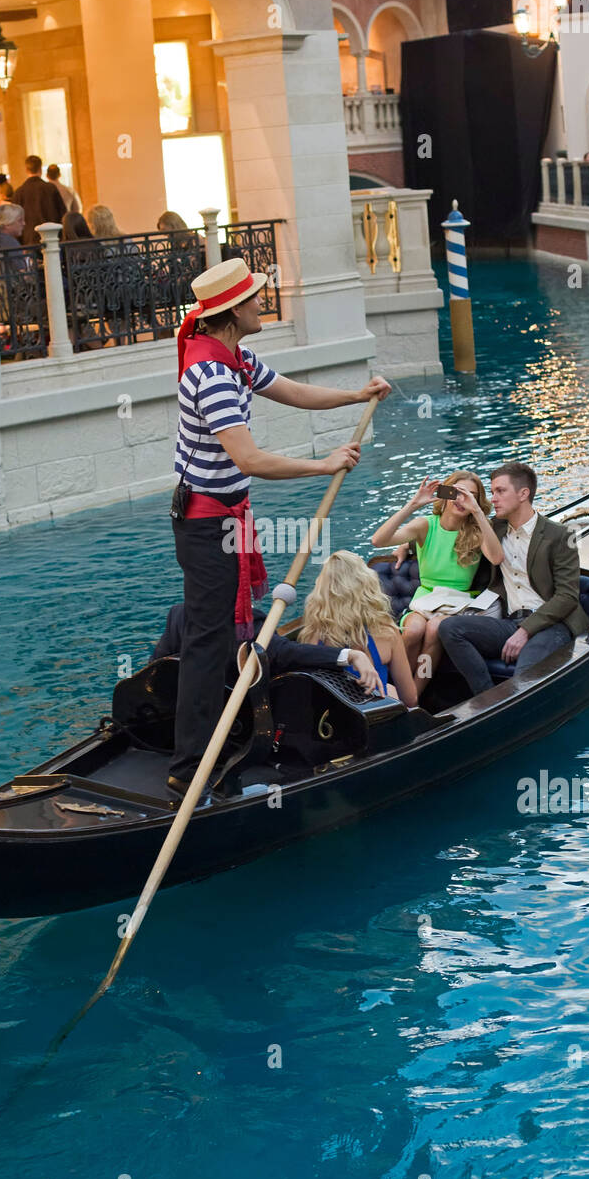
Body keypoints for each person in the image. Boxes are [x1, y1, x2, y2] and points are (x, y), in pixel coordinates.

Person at [167, 256, 391, 798]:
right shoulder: (212, 374)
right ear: (231, 312)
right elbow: (248, 459)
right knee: (206, 638)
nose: (263, 303)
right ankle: (191, 763)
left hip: (225, 518)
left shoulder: (236, 359)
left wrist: (356, 396)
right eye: (255, 299)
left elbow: (291, 390)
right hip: (207, 525)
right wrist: (324, 465)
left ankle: (221, 733)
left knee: (221, 628)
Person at [437, 462, 589, 696]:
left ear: (523, 494)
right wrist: (406, 547)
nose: (494, 498)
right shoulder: (494, 528)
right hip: (510, 622)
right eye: (491, 492)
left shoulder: (560, 535)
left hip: (552, 624)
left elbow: (567, 596)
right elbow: (453, 524)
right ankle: (486, 698)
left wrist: (525, 631)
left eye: (500, 491)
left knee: (524, 679)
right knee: (450, 628)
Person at [371, 470, 502, 697]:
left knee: (434, 629)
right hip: (425, 599)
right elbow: (378, 540)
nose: (461, 500)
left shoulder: (477, 530)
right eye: (456, 493)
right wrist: (413, 504)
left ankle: (412, 699)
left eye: (470, 496)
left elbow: (496, 558)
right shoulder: (426, 525)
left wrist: (478, 513)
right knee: (413, 630)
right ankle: (398, 690)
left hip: (457, 602)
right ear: (445, 494)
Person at [151, 602, 383, 695]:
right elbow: (283, 653)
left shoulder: (179, 614)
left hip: (178, 725)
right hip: (229, 730)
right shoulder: (248, 622)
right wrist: (351, 655)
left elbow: (154, 672)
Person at [298, 551, 417, 707]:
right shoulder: (386, 631)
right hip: (377, 718)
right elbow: (410, 699)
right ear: (367, 585)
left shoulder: (312, 634)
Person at [13, 154, 66, 244]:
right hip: (51, 237)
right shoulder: (50, 188)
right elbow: (63, 213)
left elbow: (15, 218)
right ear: (40, 169)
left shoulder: (19, 192)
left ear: (26, 170)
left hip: (29, 240)